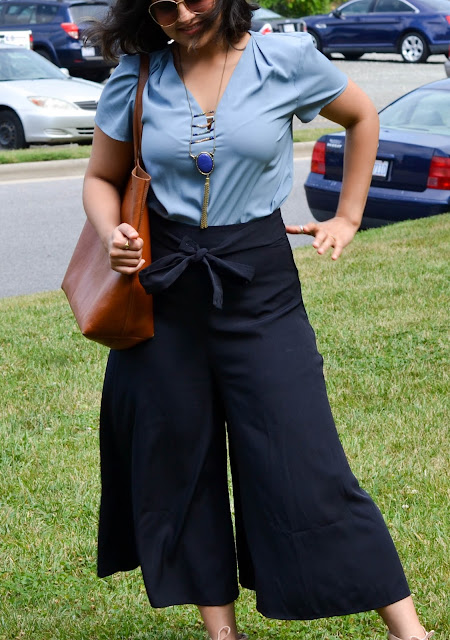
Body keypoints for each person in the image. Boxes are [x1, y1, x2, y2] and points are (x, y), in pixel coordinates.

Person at [82, 1, 435, 639]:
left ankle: (408, 631)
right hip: (164, 291)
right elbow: (101, 178)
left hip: (259, 284)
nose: (183, 15)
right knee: (180, 463)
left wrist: (348, 216)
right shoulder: (137, 76)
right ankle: (222, 633)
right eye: (163, 6)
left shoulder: (283, 59)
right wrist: (114, 234)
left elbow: (361, 116)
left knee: (304, 455)